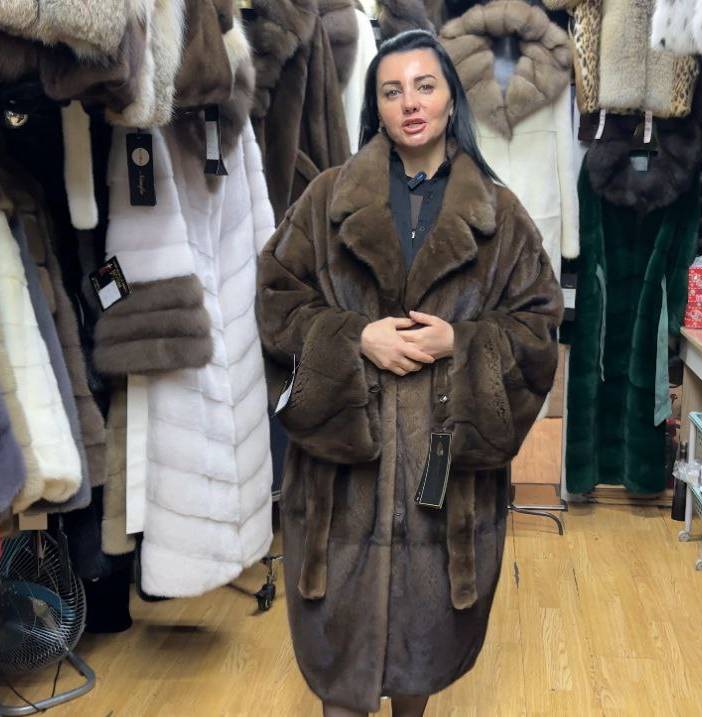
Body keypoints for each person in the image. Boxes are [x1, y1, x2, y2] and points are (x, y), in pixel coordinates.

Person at [256, 29, 562, 717]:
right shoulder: (327, 199)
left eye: (425, 86)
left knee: (423, 647)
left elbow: (539, 327)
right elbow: (276, 299)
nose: (411, 103)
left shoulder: (499, 213)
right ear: (376, 106)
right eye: (392, 91)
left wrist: (464, 343)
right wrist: (353, 338)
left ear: (452, 99)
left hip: (443, 479)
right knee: (339, 658)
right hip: (342, 479)